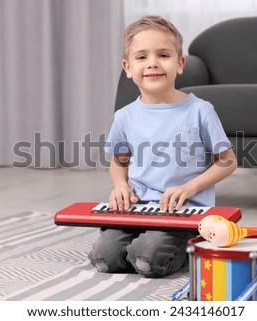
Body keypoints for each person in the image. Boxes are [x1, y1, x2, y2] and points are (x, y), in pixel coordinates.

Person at [88, 16, 237, 277]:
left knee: (148, 257)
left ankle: (181, 244)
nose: (153, 63)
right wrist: (120, 186)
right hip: (136, 208)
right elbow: (118, 161)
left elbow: (227, 160)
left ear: (180, 64)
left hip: (184, 211)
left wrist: (189, 187)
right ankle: (139, 245)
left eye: (163, 55)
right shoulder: (124, 116)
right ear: (128, 67)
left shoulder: (200, 110)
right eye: (142, 57)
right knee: (105, 258)